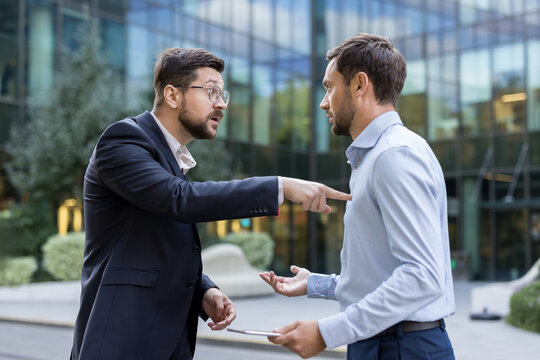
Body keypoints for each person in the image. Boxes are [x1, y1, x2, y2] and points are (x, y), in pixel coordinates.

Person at [70, 47, 351, 360]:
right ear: (172, 95)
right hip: (121, 342)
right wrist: (280, 186)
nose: (221, 104)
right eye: (211, 92)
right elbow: (177, 200)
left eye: (223, 93)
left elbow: (152, 239)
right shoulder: (123, 140)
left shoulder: (170, 158)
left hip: (166, 342)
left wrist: (203, 290)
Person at [260, 33, 455, 359]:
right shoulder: (378, 156)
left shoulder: (394, 156)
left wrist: (326, 332)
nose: (323, 102)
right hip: (386, 342)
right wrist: (316, 284)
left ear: (360, 85)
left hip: (401, 346)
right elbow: (381, 274)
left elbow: (422, 276)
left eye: (329, 87)